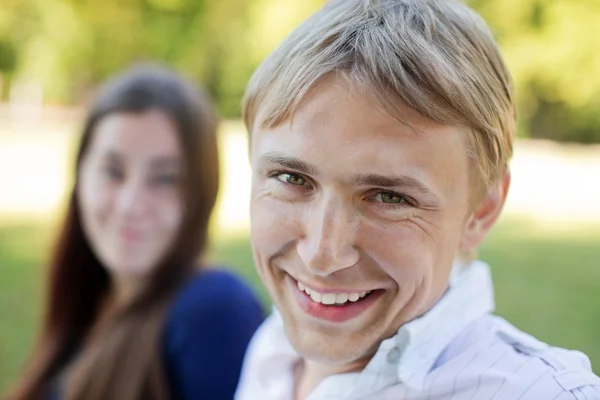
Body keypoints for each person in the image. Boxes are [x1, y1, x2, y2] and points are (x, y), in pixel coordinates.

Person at [235, 0, 600, 399]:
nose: (321, 255)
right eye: (292, 178)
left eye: (388, 197)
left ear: (481, 210)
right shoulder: (273, 347)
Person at [6, 64, 264, 400]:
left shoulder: (214, 310)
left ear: (201, 194)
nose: (131, 205)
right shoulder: (88, 301)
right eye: (113, 171)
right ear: (80, 175)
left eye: (165, 179)